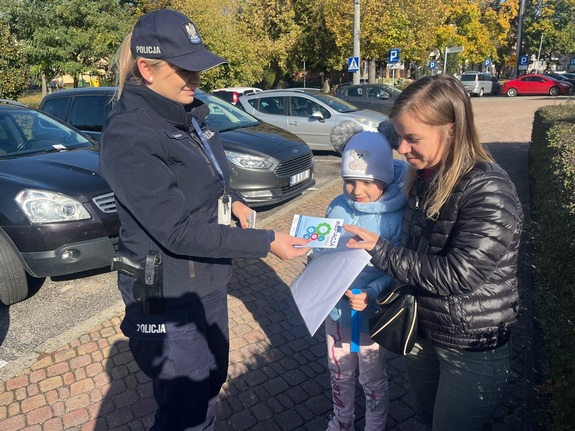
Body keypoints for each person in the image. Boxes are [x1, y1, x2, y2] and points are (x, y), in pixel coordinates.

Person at [98, 9, 310, 431]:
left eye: (199, 67)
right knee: (186, 409)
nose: (196, 79)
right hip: (170, 292)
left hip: (209, 281)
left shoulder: (191, 116)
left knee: (212, 381)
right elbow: (174, 231)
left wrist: (235, 203)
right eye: (185, 69)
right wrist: (266, 241)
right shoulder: (130, 135)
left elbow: (210, 180)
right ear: (147, 68)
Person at [344, 74, 524, 431]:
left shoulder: (489, 189)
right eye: (399, 137)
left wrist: (379, 249)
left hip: (470, 345)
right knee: (428, 421)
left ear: (452, 130)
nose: (402, 149)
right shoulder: (422, 177)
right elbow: (414, 249)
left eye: (413, 138)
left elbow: (460, 275)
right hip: (423, 331)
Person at [311, 122, 409, 431]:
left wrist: (372, 293)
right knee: (339, 371)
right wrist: (313, 258)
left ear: (386, 177)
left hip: (371, 316)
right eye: (350, 181)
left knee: (371, 376)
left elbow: (401, 268)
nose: (357, 190)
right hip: (336, 312)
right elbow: (321, 250)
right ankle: (342, 421)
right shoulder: (337, 206)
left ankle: (375, 425)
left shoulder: (397, 217)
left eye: (368, 181)